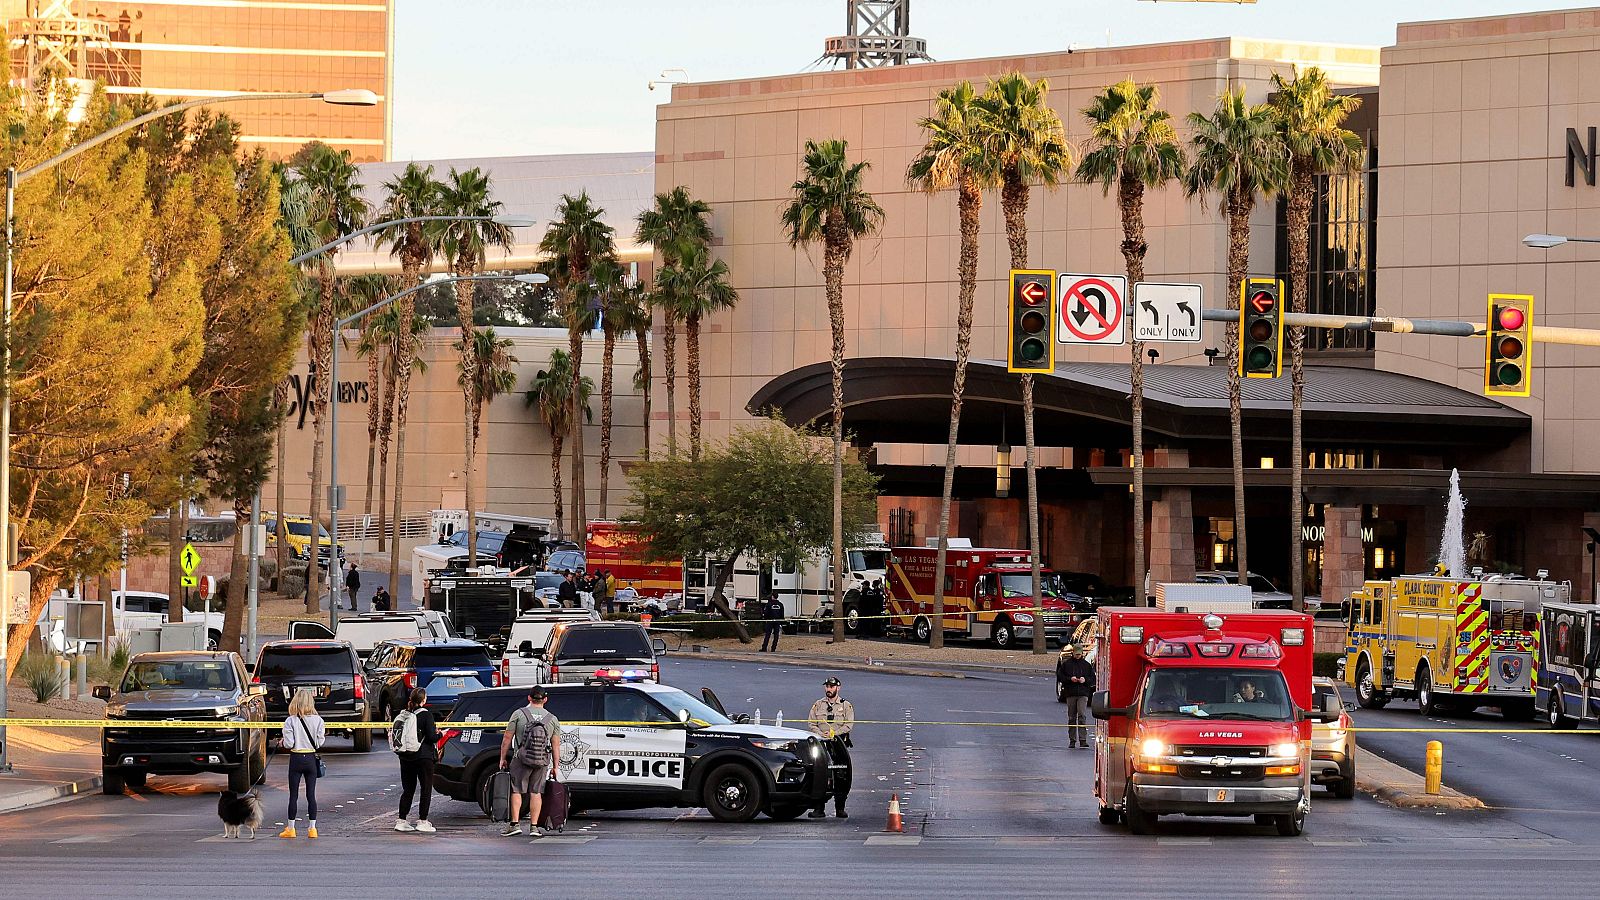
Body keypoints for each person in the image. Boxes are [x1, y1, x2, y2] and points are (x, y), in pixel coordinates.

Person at [498, 685, 562, 836]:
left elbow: (507, 738)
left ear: (529, 698)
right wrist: (556, 766)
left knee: (516, 790)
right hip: (541, 761)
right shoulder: (552, 719)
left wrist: (502, 758)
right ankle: (534, 827)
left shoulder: (518, 714)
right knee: (536, 792)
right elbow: (555, 745)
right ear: (545, 699)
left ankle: (515, 824)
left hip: (521, 759)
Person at [279, 687, 325, 839]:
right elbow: (319, 743)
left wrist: (282, 742)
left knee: (293, 795)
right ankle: (312, 829)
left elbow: (289, 743)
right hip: (311, 758)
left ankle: (291, 829)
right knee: (311, 795)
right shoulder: (318, 720)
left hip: (296, 758)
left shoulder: (290, 720)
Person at [807, 676, 854, 818]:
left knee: (841, 775)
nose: (829, 689)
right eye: (827, 686)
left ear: (838, 688)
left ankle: (840, 807)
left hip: (838, 745)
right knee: (819, 773)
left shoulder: (846, 706)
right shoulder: (818, 705)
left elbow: (848, 725)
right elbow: (811, 723)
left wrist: (835, 733)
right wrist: (820, 734)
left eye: (831, 687)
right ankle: (818, 808)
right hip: (821, 744)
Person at [394, 687, 439, 833]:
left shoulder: (404, 714)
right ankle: (423, 821)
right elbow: (432, 737)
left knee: (408, 789)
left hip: (405, 756)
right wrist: (441, 734)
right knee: (425, 789)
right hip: (423, 757)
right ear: (423, 700)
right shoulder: (426, 715)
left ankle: (401, 820)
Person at [1058, 643, 1095, 749]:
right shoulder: (1067, 664)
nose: (1078, 656)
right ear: (1073, 653)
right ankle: (1072, 740)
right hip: (1071, 693)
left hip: (1083, 693)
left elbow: (1092, 679)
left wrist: (1085, 680)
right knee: (1072, 717)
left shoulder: (1086, 665)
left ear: (1082, 654)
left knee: (1082, 715)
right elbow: (1060, 676)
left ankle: (1083, 739)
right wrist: (1070, 679)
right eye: (1076, 654)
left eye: (1079, 654)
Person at [759, 588, 785, 653]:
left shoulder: (769, 604)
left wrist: (765, 618)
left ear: (772, 596)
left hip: (770, 621)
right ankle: (773, 648)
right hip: (777, 621)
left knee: (767, 635)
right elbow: (782, 614)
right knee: (776, 636)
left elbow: (766, 613)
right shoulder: (780, 604)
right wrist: (781, 621)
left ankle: (764, 648)